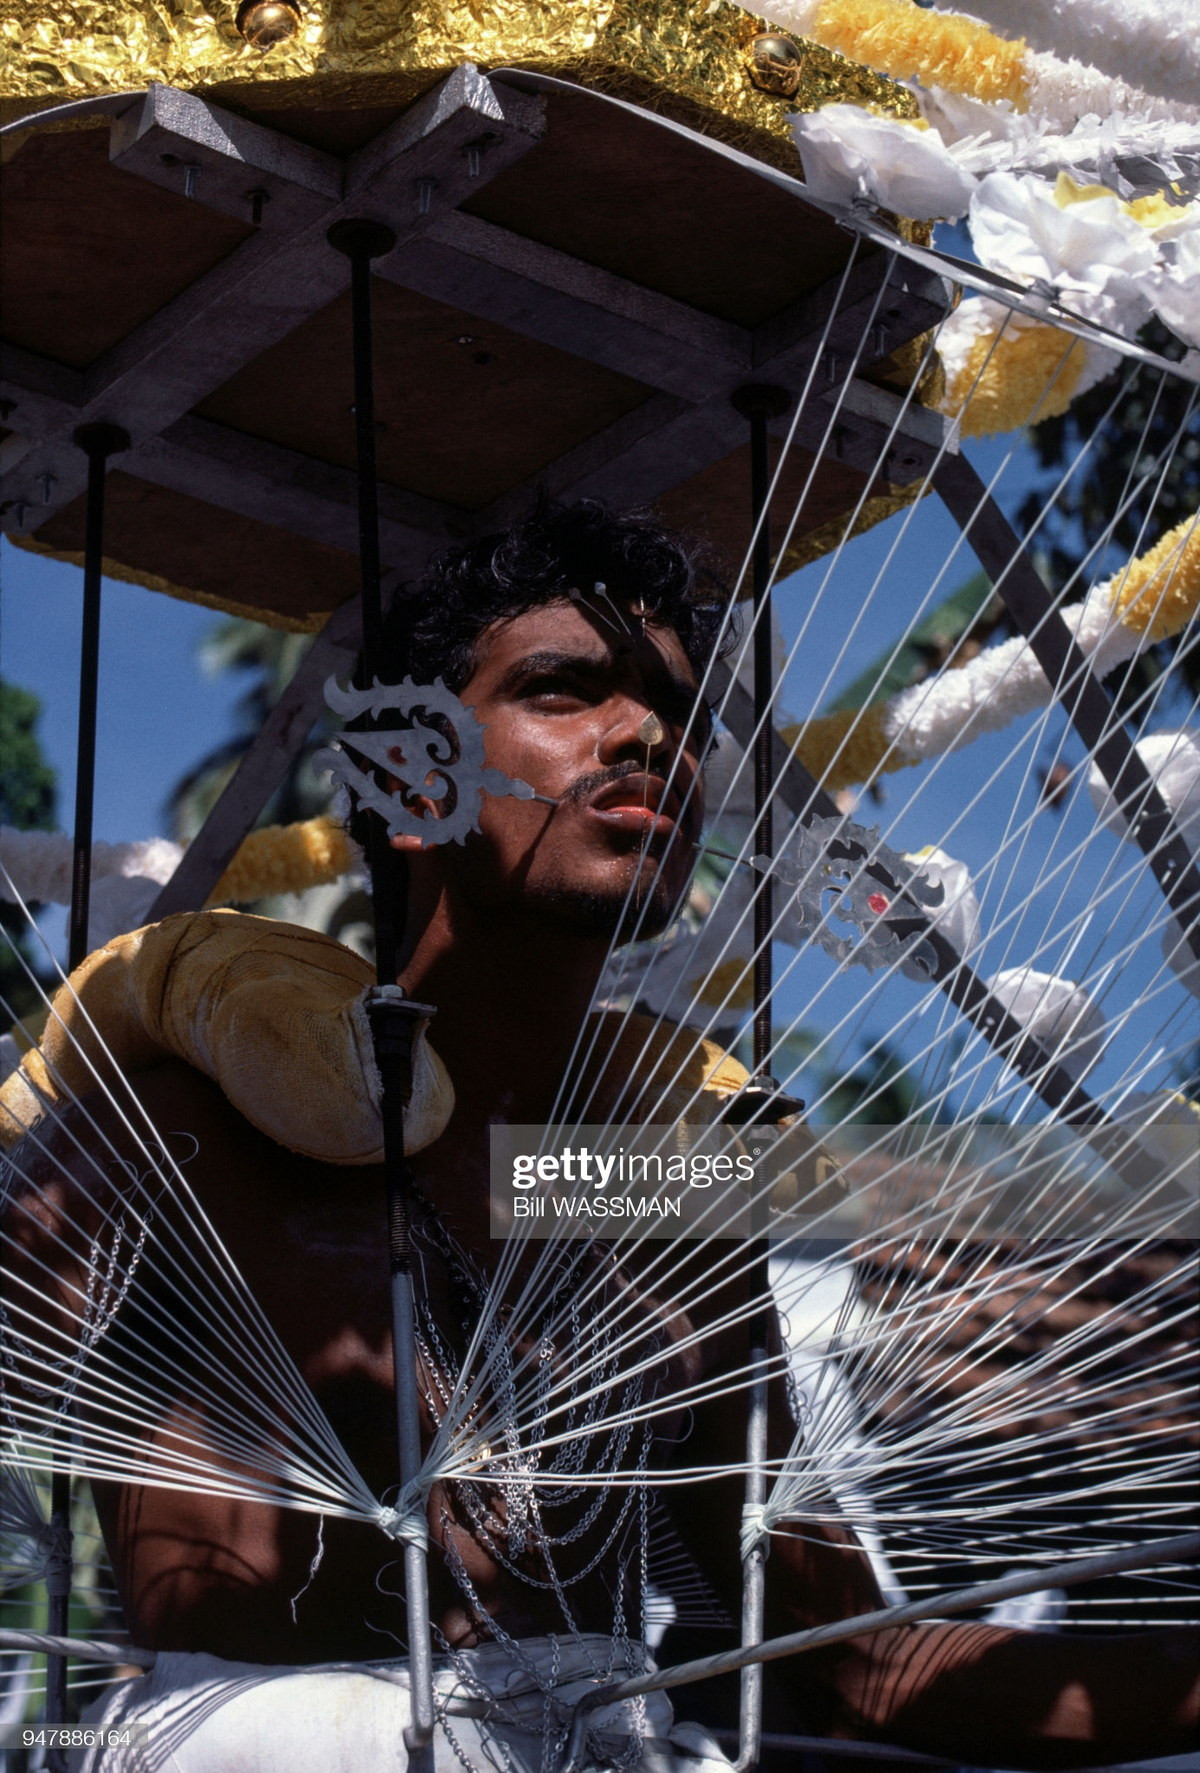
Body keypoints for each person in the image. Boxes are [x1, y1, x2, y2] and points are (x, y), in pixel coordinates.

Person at [2, 499, 1197, 1772]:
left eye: (677, 711)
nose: (648, 739)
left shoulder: (645, 1194)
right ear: (412, 770)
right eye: (566, 691)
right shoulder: (191, 1132)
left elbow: (855, 1667)